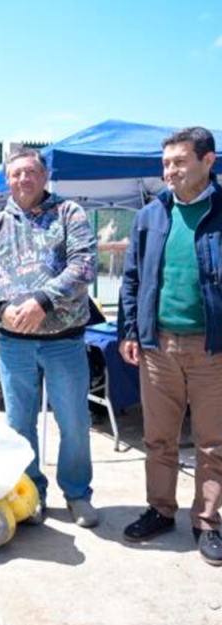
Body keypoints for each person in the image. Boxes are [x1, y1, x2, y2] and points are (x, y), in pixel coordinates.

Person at [0, 149, 98, 528]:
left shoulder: (68, 213)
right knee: (19, 424)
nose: (23, 180)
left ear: (44, 177)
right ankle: (30, 493)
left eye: (30, 172)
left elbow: (84, 264)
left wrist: (43, 301)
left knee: (74, 421)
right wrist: (0, 309)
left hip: (64, 339)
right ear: (7, 180)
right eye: (15, 174)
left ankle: (77, 493)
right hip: (14, 343)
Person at [119, 127, 222, 566]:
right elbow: (132, 278)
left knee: (212, 442)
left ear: (208, 161)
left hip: (213, 349)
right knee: (158, 437)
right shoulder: (151, 215)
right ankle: (160, 509)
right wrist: (129, 330)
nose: (170, 171)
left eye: (179, 162)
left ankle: (208, 522)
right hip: (157, 345)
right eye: (165, 164)